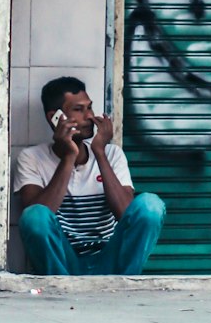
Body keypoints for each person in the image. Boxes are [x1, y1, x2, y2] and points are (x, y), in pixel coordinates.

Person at [14, 76, 165, 276]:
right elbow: (37, 219)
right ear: (55, 117)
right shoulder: (32, 158)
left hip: (110, 262)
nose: (89, 116)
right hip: (64, 265)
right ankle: (62, 291)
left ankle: (126, 284)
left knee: (150, 205)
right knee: (34, 215)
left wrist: (100, 153)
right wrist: (69, 157)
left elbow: (127, 214)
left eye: (90, 108)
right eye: (79, 109)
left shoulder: (112, 154)